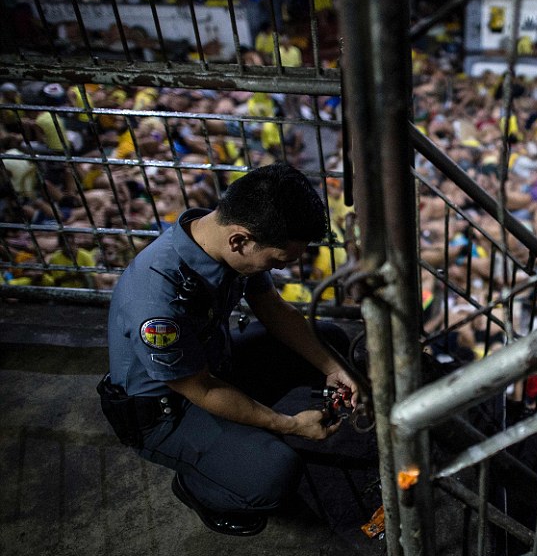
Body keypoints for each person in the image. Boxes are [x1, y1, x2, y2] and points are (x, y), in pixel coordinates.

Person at [101, 163, 358, 536]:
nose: (285, 268)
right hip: (165, 409)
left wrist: (333, 367)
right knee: (273, 476)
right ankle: (199, 486)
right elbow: (200, 389)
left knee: (330, 341)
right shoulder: (156, 300)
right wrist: (289, 425)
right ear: (240, 240)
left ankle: (240, 438)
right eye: (279, 261)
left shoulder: (224, 237)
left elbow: (270, 306)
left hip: (212, 361)